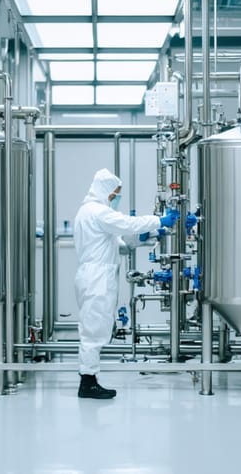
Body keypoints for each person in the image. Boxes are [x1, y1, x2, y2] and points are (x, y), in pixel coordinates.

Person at [73, 168, 179, 399]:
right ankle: (87, 383)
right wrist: (158, 220)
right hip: (96, 278)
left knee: (97, 326)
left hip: (95, 274)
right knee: (93, 330)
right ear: (104, 190)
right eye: (115, 193)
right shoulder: (97, 211)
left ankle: (89, 379)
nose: (115, 197)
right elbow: (127, 224)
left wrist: (143, 237)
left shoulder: (88, 212)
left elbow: (118, 244)